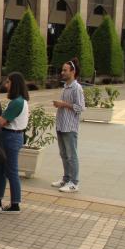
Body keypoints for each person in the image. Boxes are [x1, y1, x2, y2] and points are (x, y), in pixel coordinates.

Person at [0, 72, 29, 214]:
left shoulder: (17, 102)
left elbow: (1, 121)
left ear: (15, 84)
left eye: (8, 82)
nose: (6, 85)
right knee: (1, 169)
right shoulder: (19, 101)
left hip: (11, 137)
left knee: (11, 171)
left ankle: (15, 204)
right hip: (10, 136)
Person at [51, 57, 85, 193]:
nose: (62, 72)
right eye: (62, 70)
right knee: (64, 154)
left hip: (70, 126)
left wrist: (63, 104)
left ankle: (74, 182)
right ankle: (66, 179)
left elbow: (80, 107)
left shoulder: (77, 88)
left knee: (71, 155)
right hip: (61, 124)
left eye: (65, 70)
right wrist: (60, 105)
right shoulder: (66, 87)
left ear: (72, 72)